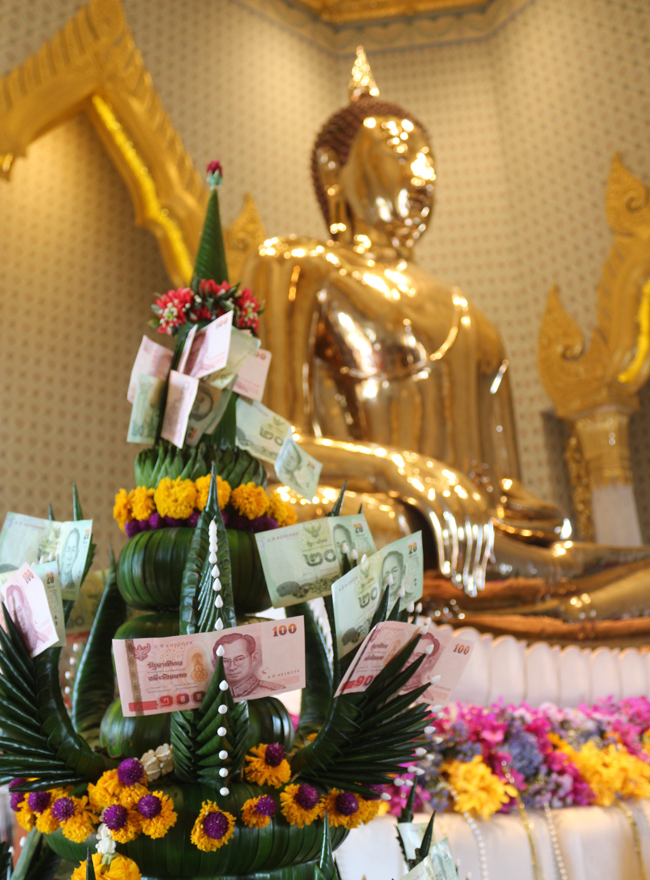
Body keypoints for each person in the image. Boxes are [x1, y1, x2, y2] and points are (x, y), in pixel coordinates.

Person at [243, 48, 650, 615]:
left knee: (639, 571)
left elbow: (502, 485)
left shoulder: (471, 319)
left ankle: (540, 612)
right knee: (360, 529)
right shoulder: (297, 266)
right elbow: (270, 447)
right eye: (402, 151)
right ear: (335, 171)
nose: (424, 173)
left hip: (466, 535)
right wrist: (394, 468)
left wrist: (524, 511)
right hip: (366, 511)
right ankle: (525, 612)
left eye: (430, 157)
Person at [215, 632, 283, 699]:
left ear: (254, 658)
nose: (232, 667)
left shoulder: (272, 690)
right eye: (225, 661)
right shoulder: (213, 695)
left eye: (239, 659)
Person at [4, 584, 47, 655]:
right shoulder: (12, 651)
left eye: (19, 609)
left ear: (26, 608)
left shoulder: (43, 641)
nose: (18, 619)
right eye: (13, 613)